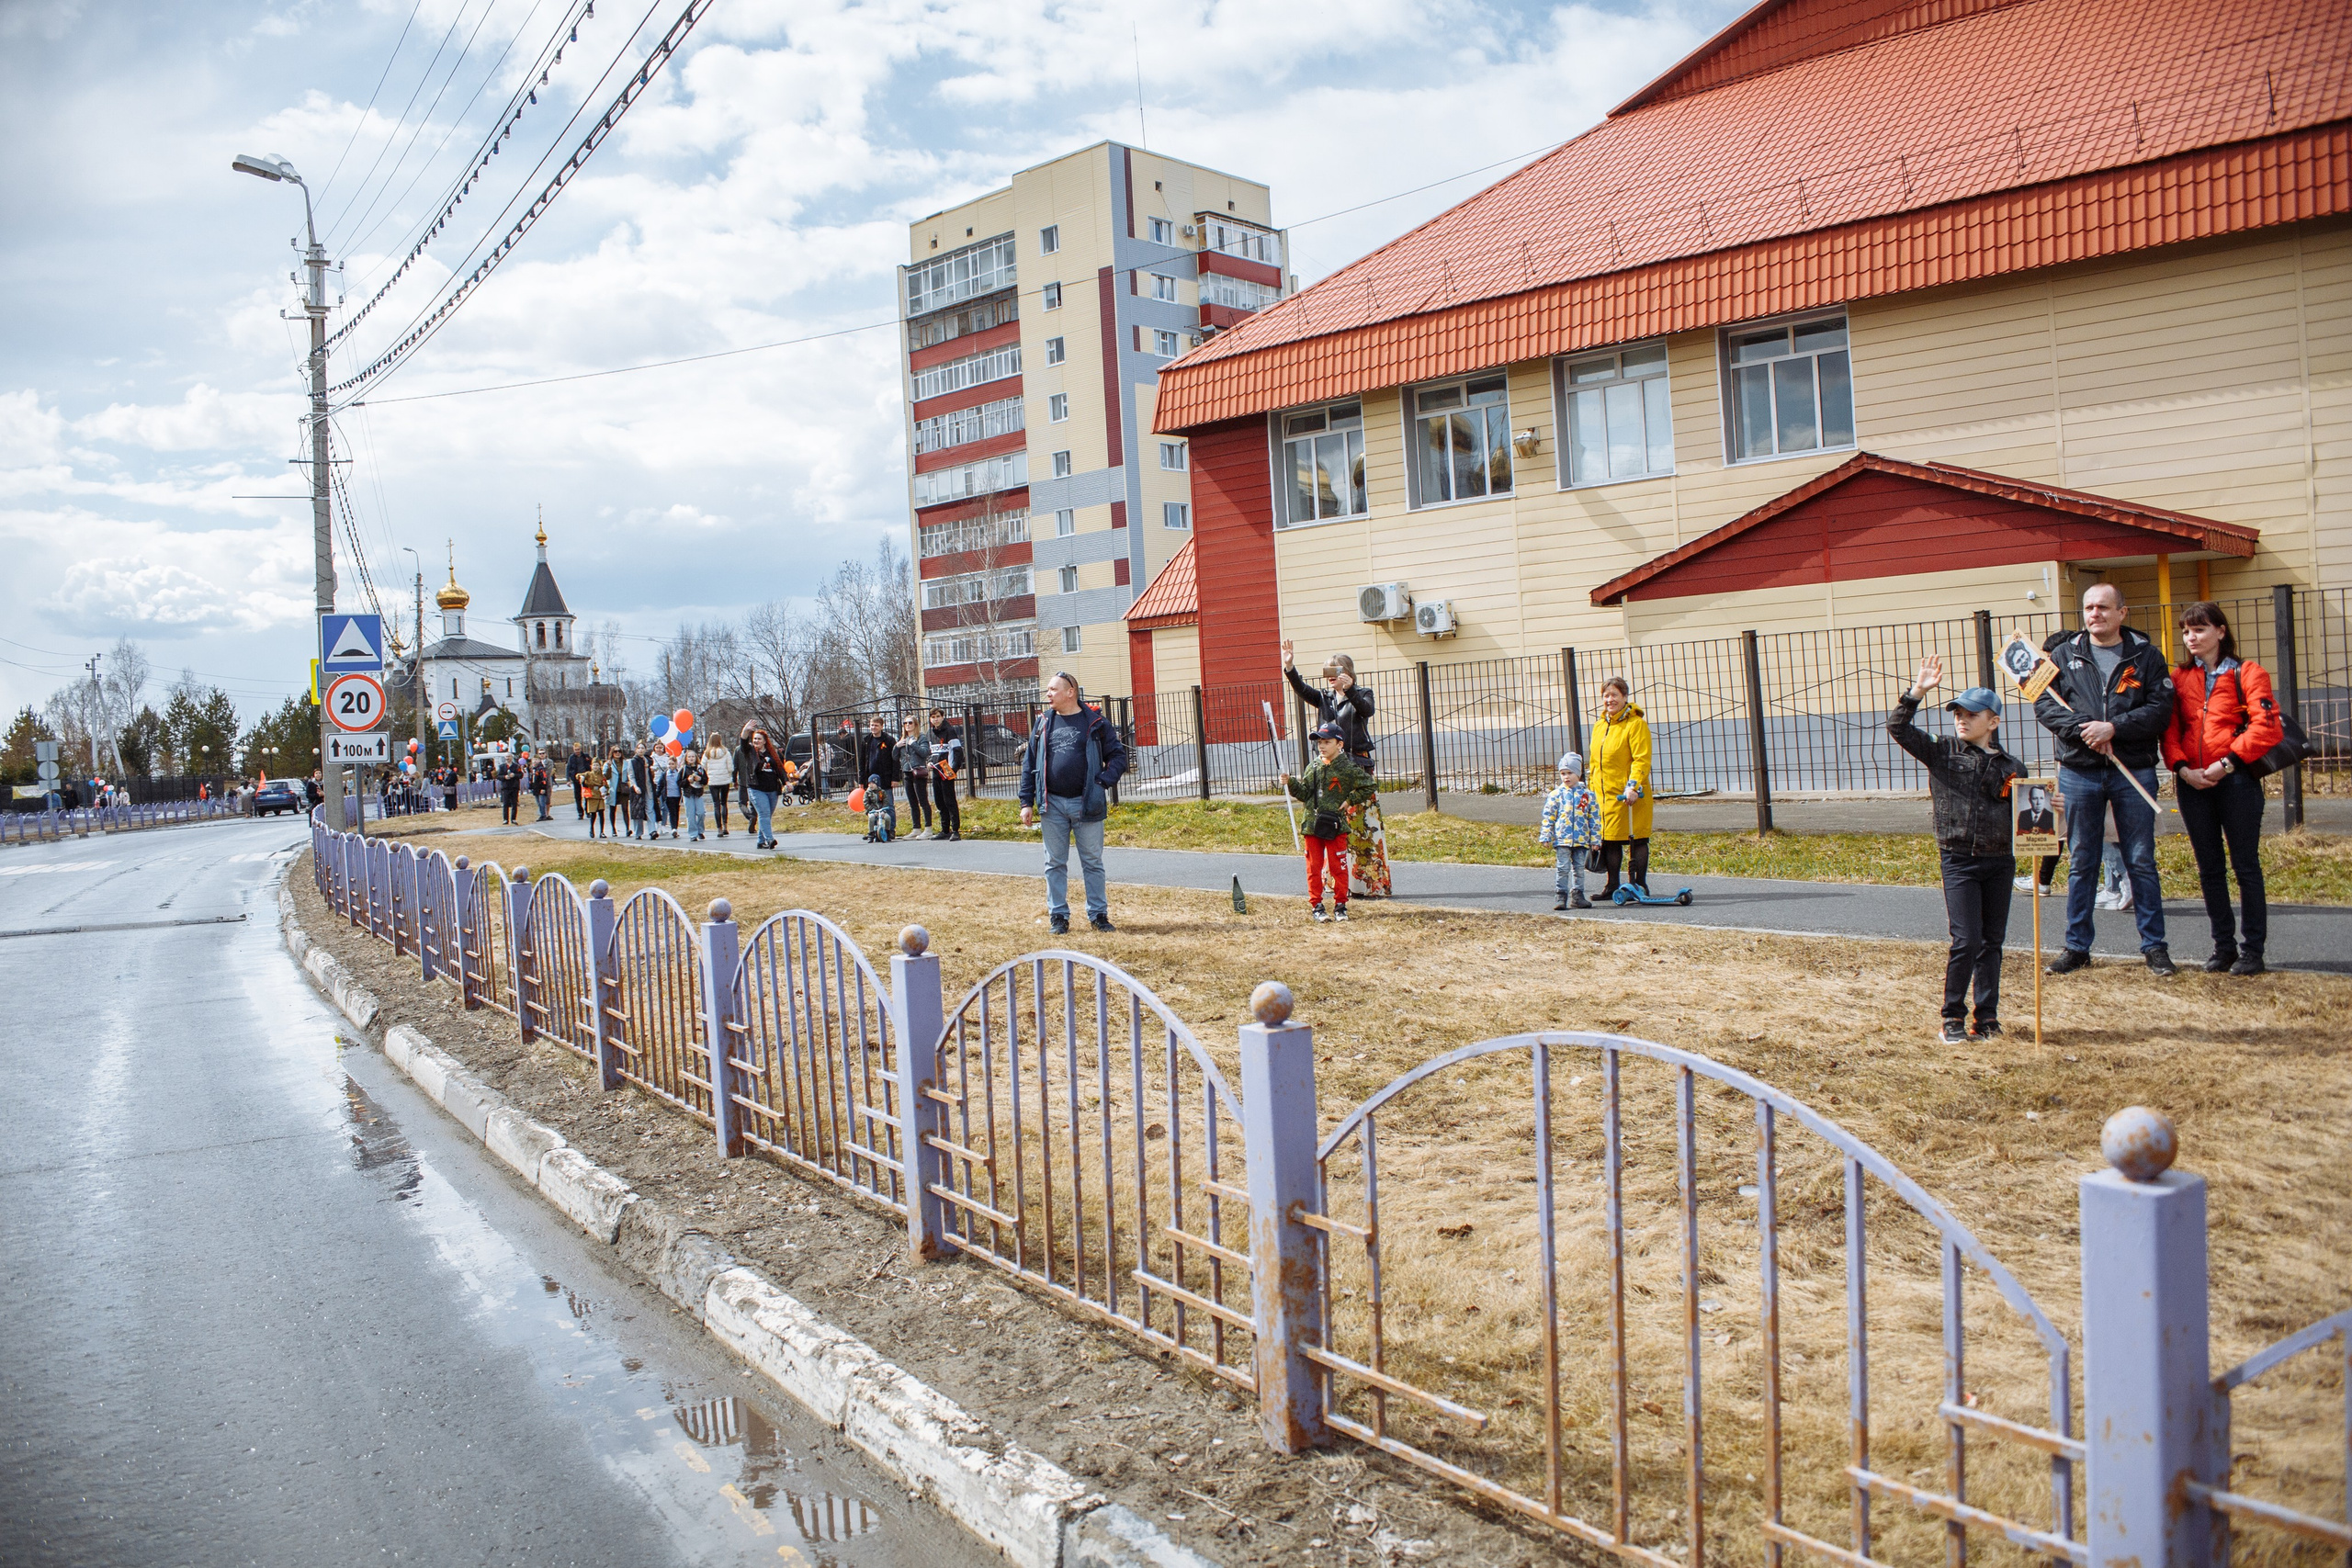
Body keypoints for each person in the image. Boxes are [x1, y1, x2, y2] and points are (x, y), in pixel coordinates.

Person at [2034, 581, 2177, 977]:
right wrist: (2084, 729)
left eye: (2102, 607)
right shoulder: (2064, 655)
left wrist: (2113, 727)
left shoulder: (2147, 657)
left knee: (2141, 860)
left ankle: (2155, 948)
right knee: (2082, 860)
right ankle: (2077, 948)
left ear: (2121, 613)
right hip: (2080, 771)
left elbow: (2159, 710)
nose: (2094, 614)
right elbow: (2043, 703)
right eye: (2089, 608)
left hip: (2132, 769)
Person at [1889, 657, 2028, 1044]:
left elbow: (2030, 819)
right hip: (1960, 860)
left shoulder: (2013, 766)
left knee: (1992, 943)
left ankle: (1987, 1018)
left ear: (1994, 722)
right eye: (1958, 713)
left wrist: (2053, 812)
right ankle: (1952, 1016)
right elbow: (1898, 727)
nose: (1962, 720)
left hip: (2000, 860)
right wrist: (1917, 692)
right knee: (1966, 940)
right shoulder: (1943, 751)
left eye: (1971, 714)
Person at [2163, 600, 2282, 976]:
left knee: (2245, 865)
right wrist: (2183, 769)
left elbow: (2268, 726)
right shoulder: (2180, 677)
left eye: (2198, 629)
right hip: (2192, 783)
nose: (2190, 637)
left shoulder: (2248, 672)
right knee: (2209, 868)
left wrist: (2226, 763)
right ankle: (2223, 948)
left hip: (2236, 781)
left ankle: (2252, 951)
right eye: (2185, 631)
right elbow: (2170, 730)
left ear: (2220, 631)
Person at [1018, 671, 1128, 934]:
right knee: (1054, 862)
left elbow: (1118, 756)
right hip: (1052, 803)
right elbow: (1029, 764)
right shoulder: (1043, 722)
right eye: (1048, 690)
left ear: (1071, 692)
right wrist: (1026, 801)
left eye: (1053, 689)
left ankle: (1098, 915)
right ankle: (1058, 916)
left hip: (1087, 803)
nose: (1048, 694)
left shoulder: (1096, 722)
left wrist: (1102, 782)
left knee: (1092, 861)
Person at [1281, 640, 1388, 898]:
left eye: (1335, 671)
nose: (1330, 677)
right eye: (1327, 671)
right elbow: (1302, 689)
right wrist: (1290, 666)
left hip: (1357, 766)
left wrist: (1350, 690)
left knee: (1363, 826)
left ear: (1347, 673)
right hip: (1331, 771)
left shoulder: (1362, 694)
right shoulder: (1323, 698)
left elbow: (1367, 711)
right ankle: (1339, 884)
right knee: (1333, 825)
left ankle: (1369, 883)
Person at [1283, 721, 1375, 922]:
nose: (1322, 746)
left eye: (1327, 742)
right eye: (1319, 742)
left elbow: (1369, 785)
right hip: (1312, 825)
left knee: (1338, 867)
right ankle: (1316, 904)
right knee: (1313, 868)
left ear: (1339, 744)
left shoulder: (1347, 768)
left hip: (1336, 826)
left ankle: (1340, 904)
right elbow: (1304, 793)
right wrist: (1290, 783)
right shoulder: (1313, 766)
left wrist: (1349, 800)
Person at [1589, 676, 1654, 899]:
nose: (1609, 700)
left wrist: (1633, 786)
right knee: (1610, 839)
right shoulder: (1599, 725)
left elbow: (1641, 759)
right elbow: (1594, 763)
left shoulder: (1636, 725)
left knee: (1638, 839)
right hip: (1604, 795)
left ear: (1625, 697)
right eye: (1606, 696)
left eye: (1614, 695)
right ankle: (1612, 885)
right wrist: (1591, 791)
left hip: (1629, 794)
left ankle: (1639, 884)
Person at [1538, 751, 1601, 910]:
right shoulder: (1556, 795)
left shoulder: (1588, 796)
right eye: (1563, 773)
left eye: (1570, 773)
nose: (1566, 777)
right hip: (1562, 840)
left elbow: (1594, 818)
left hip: (1581, 840)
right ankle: (1560, 896)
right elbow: (1549, 816)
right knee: (1563, 868)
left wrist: (1595, 839)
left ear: (1578, 774)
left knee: (1579, 869)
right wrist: (1546, 835)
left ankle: (1578, 895)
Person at [743, 726, 786, 847]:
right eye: (755, 739)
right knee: (764, 814)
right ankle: (769, 839)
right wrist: (745, 731)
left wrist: (786, 782)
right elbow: (743, 742)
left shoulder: (772, 753)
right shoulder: (750, 751)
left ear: (765, 741)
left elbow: (779, 769)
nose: (756, 741)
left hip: (772, 789)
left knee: (766, 816)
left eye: (759, 739)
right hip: (756, 788)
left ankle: (760, 841)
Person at [927, 707, 964, 841]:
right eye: (932, 717)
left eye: (937, 716)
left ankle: (955, 830)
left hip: (947, 772)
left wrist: (953, 769)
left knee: (950, 801)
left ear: (942, 717)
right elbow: (930, 752)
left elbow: (957, 751)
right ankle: (944, 830)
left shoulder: (949, 731)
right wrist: (929, 762)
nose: (935, 719)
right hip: (936, 771)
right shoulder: (930, 733)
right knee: (939, 801)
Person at [896, 717, 933, 839]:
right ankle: (916, 828)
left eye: (910, 722)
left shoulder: (921, 737)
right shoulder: (903, 739)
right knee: (912, 802)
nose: (907, 725)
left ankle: (928, 828)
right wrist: (896, 746)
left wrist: (914, 744)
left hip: (918, 772)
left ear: (915, 724)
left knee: (923, 800)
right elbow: (895, 757)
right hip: (907, 772)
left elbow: (925, 752)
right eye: (905, 723)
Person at [701, 732, 733, 838]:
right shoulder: (725, 752)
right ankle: (725, 826)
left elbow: (703, 767)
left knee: (716, 804)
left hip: (713, 781)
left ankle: (718, 828)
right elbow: (730, 767)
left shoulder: (707, 753)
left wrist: (708, 775)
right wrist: (728, 775)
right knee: (724, 803)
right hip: (724, 780)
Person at [682, 748, 709, 840]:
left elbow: (706, 780)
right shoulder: (684, 769)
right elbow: (679, 783)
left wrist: (700, 779)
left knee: (701, 813)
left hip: (698, 793)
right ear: (686, 758)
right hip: (688, 794)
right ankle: (693, 834)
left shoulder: (700, 768)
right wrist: (687, 780)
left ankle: (700, 831)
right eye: (689, 757)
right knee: (690, 815)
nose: (691, 758)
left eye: (693, 756)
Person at [582, 758, 608, 839]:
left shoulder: (602, 776)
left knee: (601, 813)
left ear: (600, 767)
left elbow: (606, 785)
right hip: (592, 796)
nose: (596, 767)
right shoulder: (589, 774)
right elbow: (579, 775)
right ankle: (591, 829)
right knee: (593, 814)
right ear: (591, 766)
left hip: (600, 796)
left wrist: (605, 791)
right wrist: (582, 778)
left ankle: (602, 831)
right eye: (594, 765)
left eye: (597, 765)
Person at [566, 742, 590, 818]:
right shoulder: (571, 758)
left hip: (586, 777)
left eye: (578, 749)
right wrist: (568, 779)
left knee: (587, 795)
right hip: (576, 778)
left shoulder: (585, 756)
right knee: (578, 796)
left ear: (581, 749)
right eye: (575, 750)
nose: (577, 751)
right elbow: (568, 768)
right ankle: (580, 812)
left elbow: (591, 764)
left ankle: (588, 811)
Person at [497, 756, 522, 825]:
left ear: (511, 757)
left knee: (514, 803)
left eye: (508, 757)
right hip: (505, 788)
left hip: (514, 787)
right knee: (505, 804)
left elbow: (521, 775)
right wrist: (504, 777)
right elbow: (498, 776)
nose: (507, 758)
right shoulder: (502, 766)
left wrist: (514, 775)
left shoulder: (516, 766)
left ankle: (513, 819)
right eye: (506, 757)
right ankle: (505, 819)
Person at [531, 752, 553, 822]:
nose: (535, 761)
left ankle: (543, 815)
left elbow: (544, 778)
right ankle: (542, 814)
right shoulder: (533, 769)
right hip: (535, 788)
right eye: (534, 760)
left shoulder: (541, 769)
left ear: (539, 760)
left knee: (542, 802)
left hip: (541, 788)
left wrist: (543, 788)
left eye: (536, 760)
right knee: (538, 803)